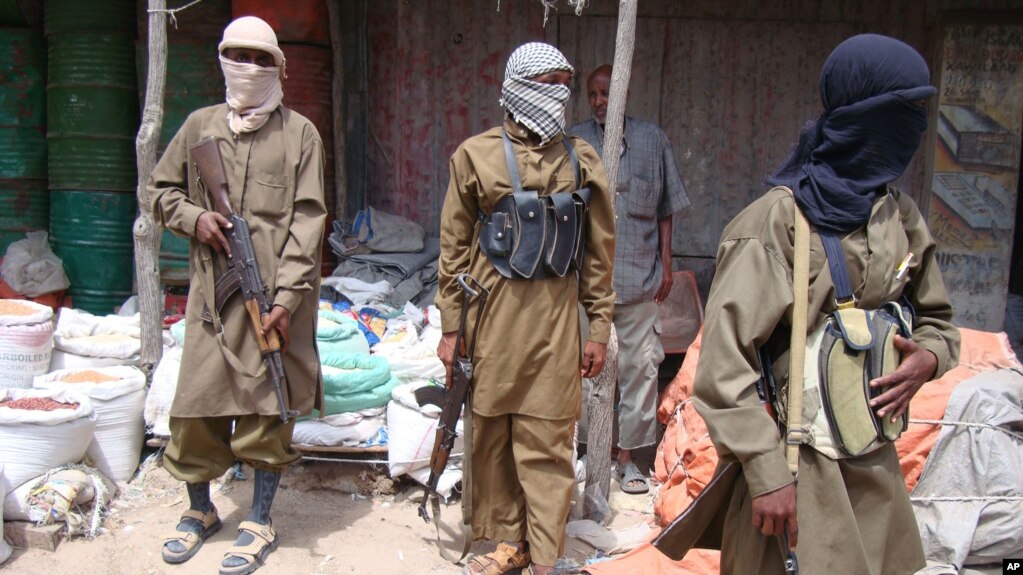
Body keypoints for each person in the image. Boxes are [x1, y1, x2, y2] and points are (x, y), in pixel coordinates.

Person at [692, 34, 960, 574]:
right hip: (798, 473)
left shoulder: (898, 215)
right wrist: (767, 473)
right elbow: (724, 368)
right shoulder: (775, 222)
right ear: (866, 116)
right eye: (903, 112)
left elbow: (939, 320)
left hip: (876, 467)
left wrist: (926, 359)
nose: (916, 128)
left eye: (919, 112)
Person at [148, 16, 326, 575]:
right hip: (211, 301)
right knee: (196, 406)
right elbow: (159, 190)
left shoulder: (301, 134)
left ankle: (260, 518)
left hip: (275, 297)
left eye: (260, 58)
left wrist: (286, 298)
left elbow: (309, 219)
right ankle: (200, 511)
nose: (248, 69)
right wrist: (194, 217)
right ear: (222, 59)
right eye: (237, 56)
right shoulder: (200, 126)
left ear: (280, 67)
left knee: (268, 407)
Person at [436, 42, 615, 575]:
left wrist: (599, 326)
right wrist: (451, 327)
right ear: (517, 87)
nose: (558, 92)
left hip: (555, 332)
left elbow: (598, 253)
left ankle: (546, 554)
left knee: (548, 442)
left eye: (565, 81)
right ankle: (508, 542)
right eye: (547, 81)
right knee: (492, 436)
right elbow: (453, 250)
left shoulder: (582, 161)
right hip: (489, 324)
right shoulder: (475, 156)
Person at [568, 65, 690, 494]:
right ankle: (585, 451)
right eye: (593, 95)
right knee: (584, 367)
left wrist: (667, 261)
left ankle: (627, 459)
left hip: (640, 279)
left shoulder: (652, 139)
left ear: (622, 92)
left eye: (606, 93)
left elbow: (667, 207)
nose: (600, 102)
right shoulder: (575, 141)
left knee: (641, 369)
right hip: (587, 285)